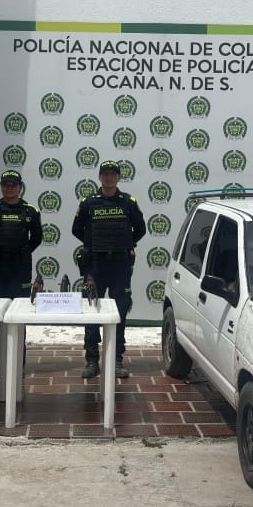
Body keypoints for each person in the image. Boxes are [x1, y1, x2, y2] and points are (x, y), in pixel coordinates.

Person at [71, 160, 146, 379]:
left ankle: (116, 360)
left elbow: (140, 229)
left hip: (120, 265)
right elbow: (76, 229)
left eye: (113, 174)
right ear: (99, 177)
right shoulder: (88, 202)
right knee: (91, 311)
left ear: (119, 177)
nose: (109, 177)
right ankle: (91, 360)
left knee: (119, 312)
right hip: (94, 264)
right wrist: (95, 243)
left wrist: (123, 243)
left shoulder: (128, 202)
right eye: (105, 173)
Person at [0, 169, 42, 299]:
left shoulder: (31, 211)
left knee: (19, 304)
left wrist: (24, 251)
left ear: (20, 187)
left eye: (13, 185)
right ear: (1, 186)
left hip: (20, 267)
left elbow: (37, 237)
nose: (9, 188)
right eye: (5, 185)